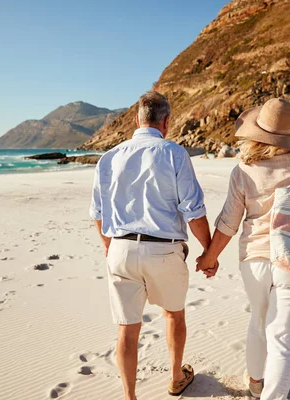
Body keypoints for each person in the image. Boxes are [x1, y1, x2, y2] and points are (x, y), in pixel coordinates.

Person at [196, 98, 290, 399]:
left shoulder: (243, 169)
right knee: (282, 338)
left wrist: (209, 257)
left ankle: (256, 385)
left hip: (255, 258)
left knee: (257, 320)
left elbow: (229, 221)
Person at [90, 91, 214, 399]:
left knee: (127, 329)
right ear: (167, 121)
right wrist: (209, 252)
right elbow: (193, 210)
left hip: (120, 248)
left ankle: (130, 396)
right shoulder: (174, 153)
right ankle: (175, 377)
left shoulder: (110, 157)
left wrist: (109, 246)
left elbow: (97, 213)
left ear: (137, 119)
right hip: (163, 249)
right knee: (173, 314)